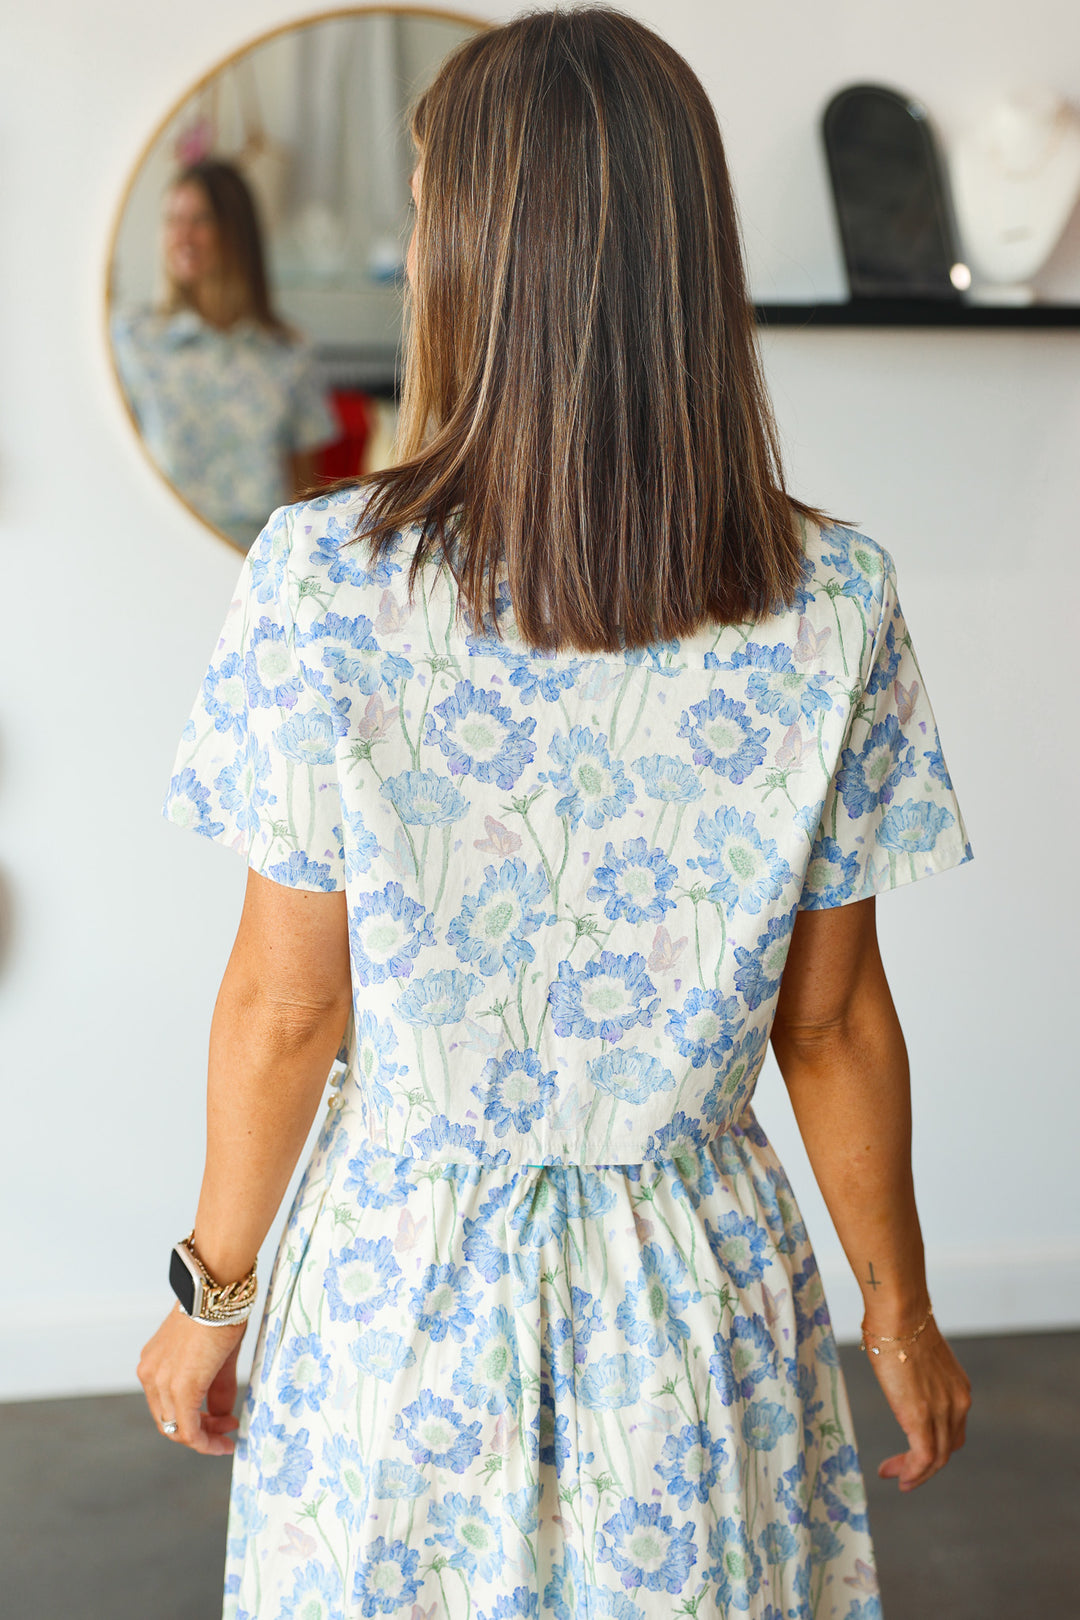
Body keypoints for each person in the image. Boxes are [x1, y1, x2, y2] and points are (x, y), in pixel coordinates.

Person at [140, 10, 973, 1617]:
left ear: (467, 252)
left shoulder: (324, 579)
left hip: (402, 1282)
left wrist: (211, 1295)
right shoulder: (832, 599)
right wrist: (903, 1317)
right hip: (697, 1287)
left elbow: (283, 1002)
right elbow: (838, 1020)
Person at [112, 159, 335, 551]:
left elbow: (307, 499)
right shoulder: (132, 341)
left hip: (252, 567)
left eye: (200, 220)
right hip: (154, 554)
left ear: (236, 231)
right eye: (172, 219)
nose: (182, 236)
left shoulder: (289, 352)